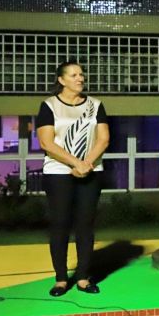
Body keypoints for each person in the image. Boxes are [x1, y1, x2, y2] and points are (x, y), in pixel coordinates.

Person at [36, 61, 109, 297]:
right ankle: (60, 279)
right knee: (60, 224)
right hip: (58, 172)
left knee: (85, 225)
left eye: (81, 74)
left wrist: (87, 164)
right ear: (61, 80)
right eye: (74, 75)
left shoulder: (95, 105)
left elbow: (103, 139)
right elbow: (46, 142)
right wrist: (76, 163)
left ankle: (83, 278)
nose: (80, 78)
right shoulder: (49, 106)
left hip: (91, 171)